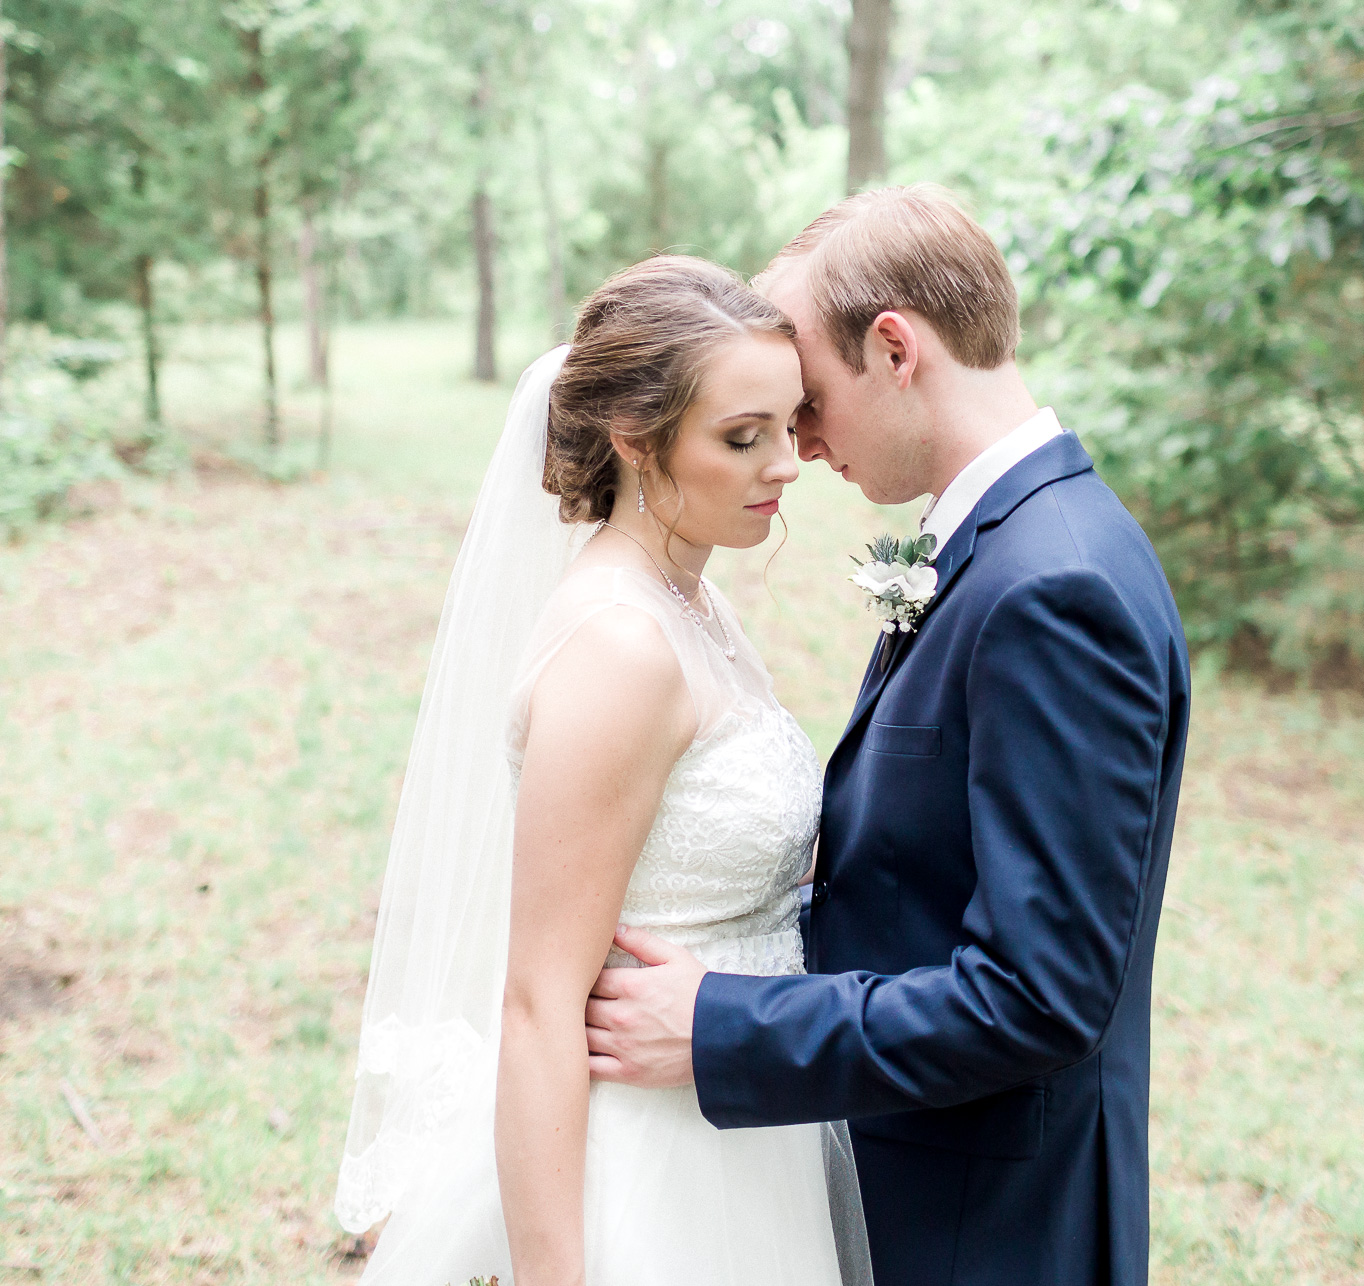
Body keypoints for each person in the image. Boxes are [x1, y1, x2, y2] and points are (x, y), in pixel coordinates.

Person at [584, 186, 1192, 1286]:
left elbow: (1036, 993)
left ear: (896, 348)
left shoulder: (1054, 588)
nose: (801, 446)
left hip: (987, 1224)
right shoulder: (996, 543)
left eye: (809, 400)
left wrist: (725, 1023)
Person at [334, 256, 872, 1286]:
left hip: (739, 1116)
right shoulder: (622, 645)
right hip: (652, 1157)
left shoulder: (692, 601)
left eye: (788, 423)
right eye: (740, 436)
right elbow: (540, 999)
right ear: (635, 441)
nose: (786, 463)